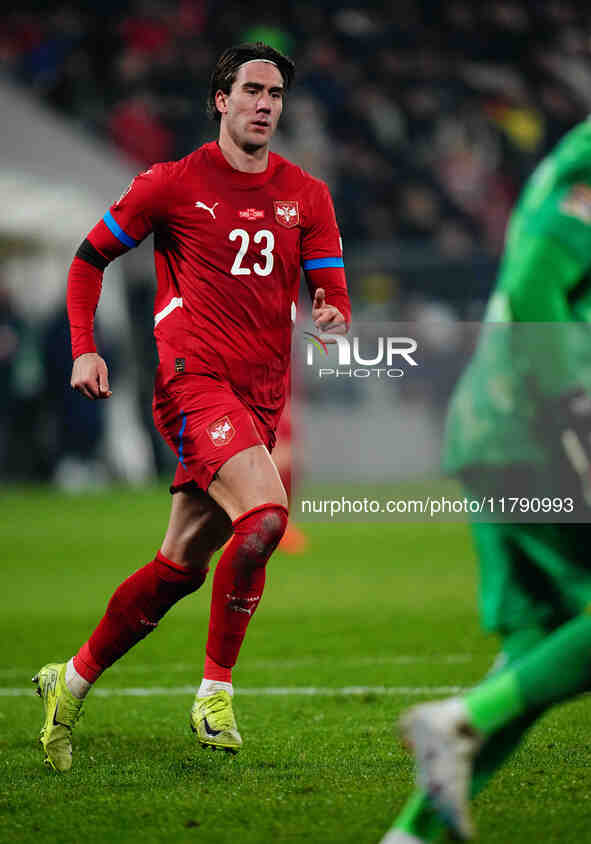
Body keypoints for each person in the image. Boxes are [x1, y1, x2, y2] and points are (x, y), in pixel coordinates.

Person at [33, 41, 350, 772]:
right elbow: (88, 259)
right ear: (221, 99)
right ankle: (214, 690)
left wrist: (333, 313)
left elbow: (331, 287)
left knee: (180, 565)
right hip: (191, 382)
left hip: (259, 395)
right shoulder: (172, 184)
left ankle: (70, 679)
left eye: (275, 95)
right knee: (267, 516)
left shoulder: (307, 194)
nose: (265, 105)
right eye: (252, 91)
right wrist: (85, 346)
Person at [382, 119, 591, 842]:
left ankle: (410, 836)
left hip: (504, 429)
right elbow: (537, 281)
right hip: (537, 433)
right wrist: (577, 409)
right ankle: (456, 720)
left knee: (537, 650)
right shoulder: (582, 168)